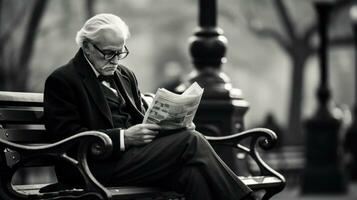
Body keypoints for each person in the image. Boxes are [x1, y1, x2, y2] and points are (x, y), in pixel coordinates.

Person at [44, 13, 253, 200]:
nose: (116, 60)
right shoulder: (63, 80)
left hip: (133, 159)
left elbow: (142, 120)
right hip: (91, 167)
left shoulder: (125, 75)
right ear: (87, 46)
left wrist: (174, 126)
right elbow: (67, 139)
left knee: (192, 174)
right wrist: (124, 138)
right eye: (109, 53)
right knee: (191, 141)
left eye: (120, 52)